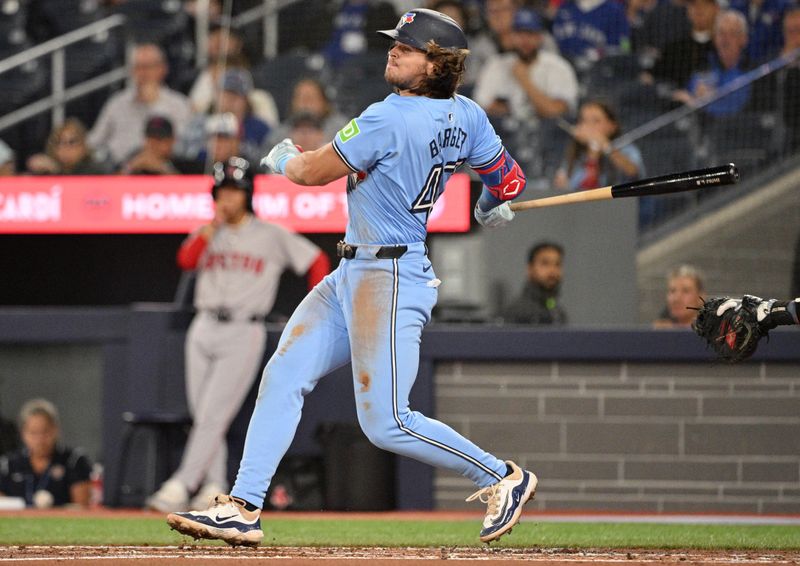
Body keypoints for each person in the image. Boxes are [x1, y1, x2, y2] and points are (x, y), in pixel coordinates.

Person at [165, 8, 537, 547]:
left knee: (386, 421)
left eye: (407, 48)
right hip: (357, 270)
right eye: (397, 44)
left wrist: (287, 158)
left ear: (437, 64)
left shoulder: (389, 116)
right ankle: (244, 505)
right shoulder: (469, 116)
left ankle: (501, 476)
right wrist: (488, 202)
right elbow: (509, 180)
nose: (393, 51)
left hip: (388, 277)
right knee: (284, 375)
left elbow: (312, 173)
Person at [145, 156, 330, 513]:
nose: (227, 199)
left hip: (244, 329)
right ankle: (213, 486)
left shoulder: (269, 234)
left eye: (233, 191)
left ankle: (181, 484)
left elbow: (316, 260)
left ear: (246, 194)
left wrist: (314, 309)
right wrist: (210, 229)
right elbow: (186, 261)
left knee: (213, 414)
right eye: (221, 192)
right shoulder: (207, 232)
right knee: (205, 415)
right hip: (203, 325)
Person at [88, 43, 193, 167]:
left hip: (162, 171)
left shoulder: (178, 104)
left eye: (148, 67)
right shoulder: (117, 103)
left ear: (162, 69)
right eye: (138, 67)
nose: (143, 73)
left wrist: (153, 104)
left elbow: (185, 147)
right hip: (121, 171)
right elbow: (93, 142)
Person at [473, 7, 578, 123]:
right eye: (520, 34)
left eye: (530, 34)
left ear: (540, 37)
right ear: (512, 36)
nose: (525, 40)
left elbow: (557, 112)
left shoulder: (559, 67)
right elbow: (481, 109)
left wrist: (525, 81)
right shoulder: (496, 65)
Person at [0, 399, 92, 508]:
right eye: (33, 433)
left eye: (45, 431)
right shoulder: (8, 464)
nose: (40, 439)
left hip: (60, 523)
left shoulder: (73, 460)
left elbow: (81, 506)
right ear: (23, 433)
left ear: (56, 430)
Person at [674, 10, 752, 118]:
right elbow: (686, 93)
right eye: (721, 33)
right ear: (715, 38)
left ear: (744, 39)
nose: (725, 40)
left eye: (732, 33)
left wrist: (698, 104)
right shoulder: (703, 64)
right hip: (696, 129)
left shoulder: (751, 70)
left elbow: (734, 110)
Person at [553, 100, 645, 191]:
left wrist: (605, 146)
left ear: (612, 126)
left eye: (596, 121)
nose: (589, 126)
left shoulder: (626, 149)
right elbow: (570, 185)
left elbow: (633, 172)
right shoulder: (576, 153)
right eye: (584, 120)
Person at [647, 0, 719, 90]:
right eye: (694, 5)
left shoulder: (723, 47)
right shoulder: (674, 48)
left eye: (705, 5)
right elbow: (649, 78)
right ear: (688, 10)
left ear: (716, 9)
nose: (699, 9)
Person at [502, 242, 568, 324]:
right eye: (545, 263)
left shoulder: (558, 312)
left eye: (557, 264)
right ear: (530, 269)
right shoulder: (519, 313)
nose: (552, 270)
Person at [26, 118, 108, 175]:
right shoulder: (47, 170)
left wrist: (57, 171)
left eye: (71, 142)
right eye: (59, 142)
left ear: (83, 145)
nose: (65, 148)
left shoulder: (96, 171)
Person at [119, 116, 193, 175]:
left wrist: (163, 169)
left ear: (172, 141)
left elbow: (192, 191)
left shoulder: (180, 163)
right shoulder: (134, 156)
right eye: (150, 140)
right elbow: (109, 187)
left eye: (159, 140)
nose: (154, 145)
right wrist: (130, 168)